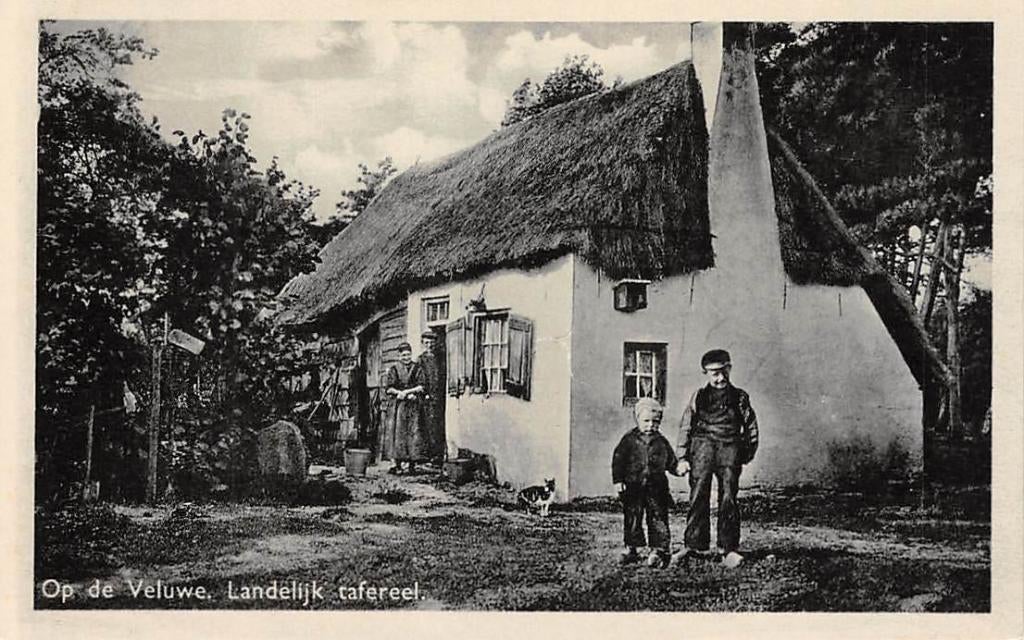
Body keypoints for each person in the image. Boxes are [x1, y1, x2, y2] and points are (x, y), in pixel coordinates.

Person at [670, 349, 759, 569]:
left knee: (729, 496)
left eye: (723, 371)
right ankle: (694, 546)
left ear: (729, 369)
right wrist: (681, 456)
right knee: (698, 494)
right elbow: (686, 426)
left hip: (729, 450)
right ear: (705, 373)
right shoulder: (698, 396)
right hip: (701, 449)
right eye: (714, 373)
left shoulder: (740, 397)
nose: (719, 378)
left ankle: (727, 549)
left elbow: (751, 427)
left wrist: (746, 452)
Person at [612, 398, 681, 568]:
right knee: (633, 518)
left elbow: (671, 461)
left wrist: (678, 469)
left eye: (655, 422)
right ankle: (631, 548)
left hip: (657, 488)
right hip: (633, 487)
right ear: (637, 419)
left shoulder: (661, 442)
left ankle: (658, 550)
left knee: (658, 517)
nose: (650, 425)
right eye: (646, 421)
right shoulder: (629, 440)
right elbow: (618, 461)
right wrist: (618, 481)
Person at [383, 342, 429, 475]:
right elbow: (389, 388)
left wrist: (408, 392)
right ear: (399, 356)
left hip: (413, 406)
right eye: (403, 355)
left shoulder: (417, 368)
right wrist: (400, 393)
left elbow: (422, 386)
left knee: (414, 433)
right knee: (398, 434)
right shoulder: (394, 369)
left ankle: (412, 464)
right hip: (399, 407)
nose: (406, 357)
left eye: (408, 354)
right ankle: (397, 464)